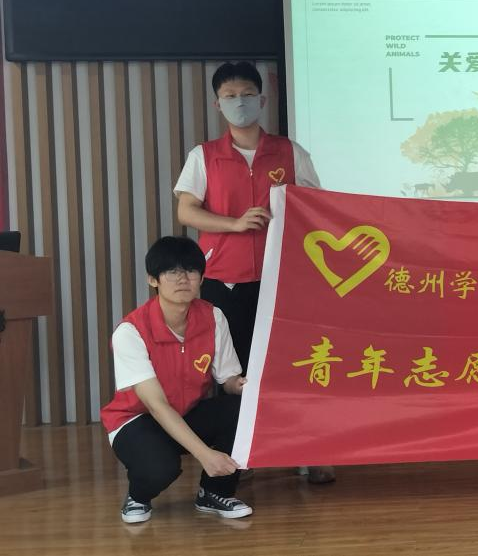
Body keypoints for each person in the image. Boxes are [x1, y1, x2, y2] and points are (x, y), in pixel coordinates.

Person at [174, 61, 334, 484]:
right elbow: (187, 211)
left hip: (283, 279)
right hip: (224, 281)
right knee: (234, 373)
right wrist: (234, 224)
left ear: (262, 100)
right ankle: (236, 457)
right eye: (229, 96)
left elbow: (316, 206)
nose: (239, 102)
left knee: (294, 366)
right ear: (218, 104)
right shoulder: (204, 156)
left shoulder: (290, 152)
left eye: (247, 94)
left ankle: (307, 452)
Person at [101, 236, 252, 523]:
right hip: (137, 420)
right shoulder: (131, 331)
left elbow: (228, 378)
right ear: (153, 280)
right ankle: (138, 496)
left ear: (202, 278)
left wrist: (245, 387)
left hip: (187, 411)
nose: (183, 279)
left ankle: (214, 493)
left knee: (242, 410)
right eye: (171, 271)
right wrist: (205, 455)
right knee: (160, 468)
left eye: (191, 271)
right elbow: (156, 405)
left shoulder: (213, 316)